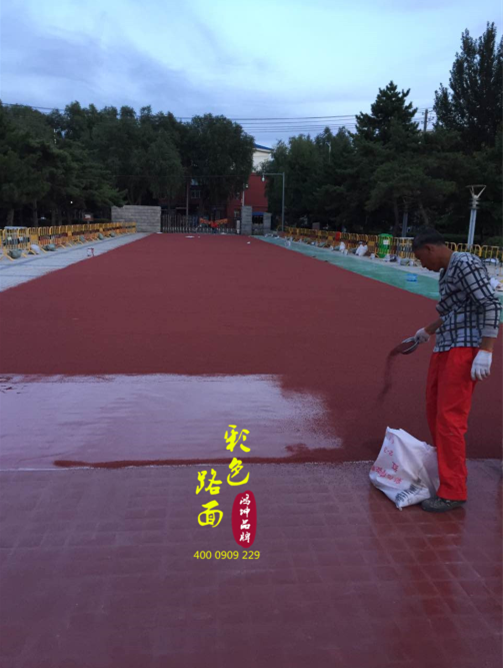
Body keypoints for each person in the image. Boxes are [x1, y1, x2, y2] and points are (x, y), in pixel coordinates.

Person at [411, 229, 501, 512]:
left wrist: (486, 350)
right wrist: (427, 330)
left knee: (450, 419)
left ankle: (453, 490)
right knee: (434, 412)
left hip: (464, 348)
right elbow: (452, 310)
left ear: (431, 249)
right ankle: (450, 473)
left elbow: (491, 304)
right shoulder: (446, 272)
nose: (422, 264)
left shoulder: (465, 263)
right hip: (446, 344)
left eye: (421, 258)